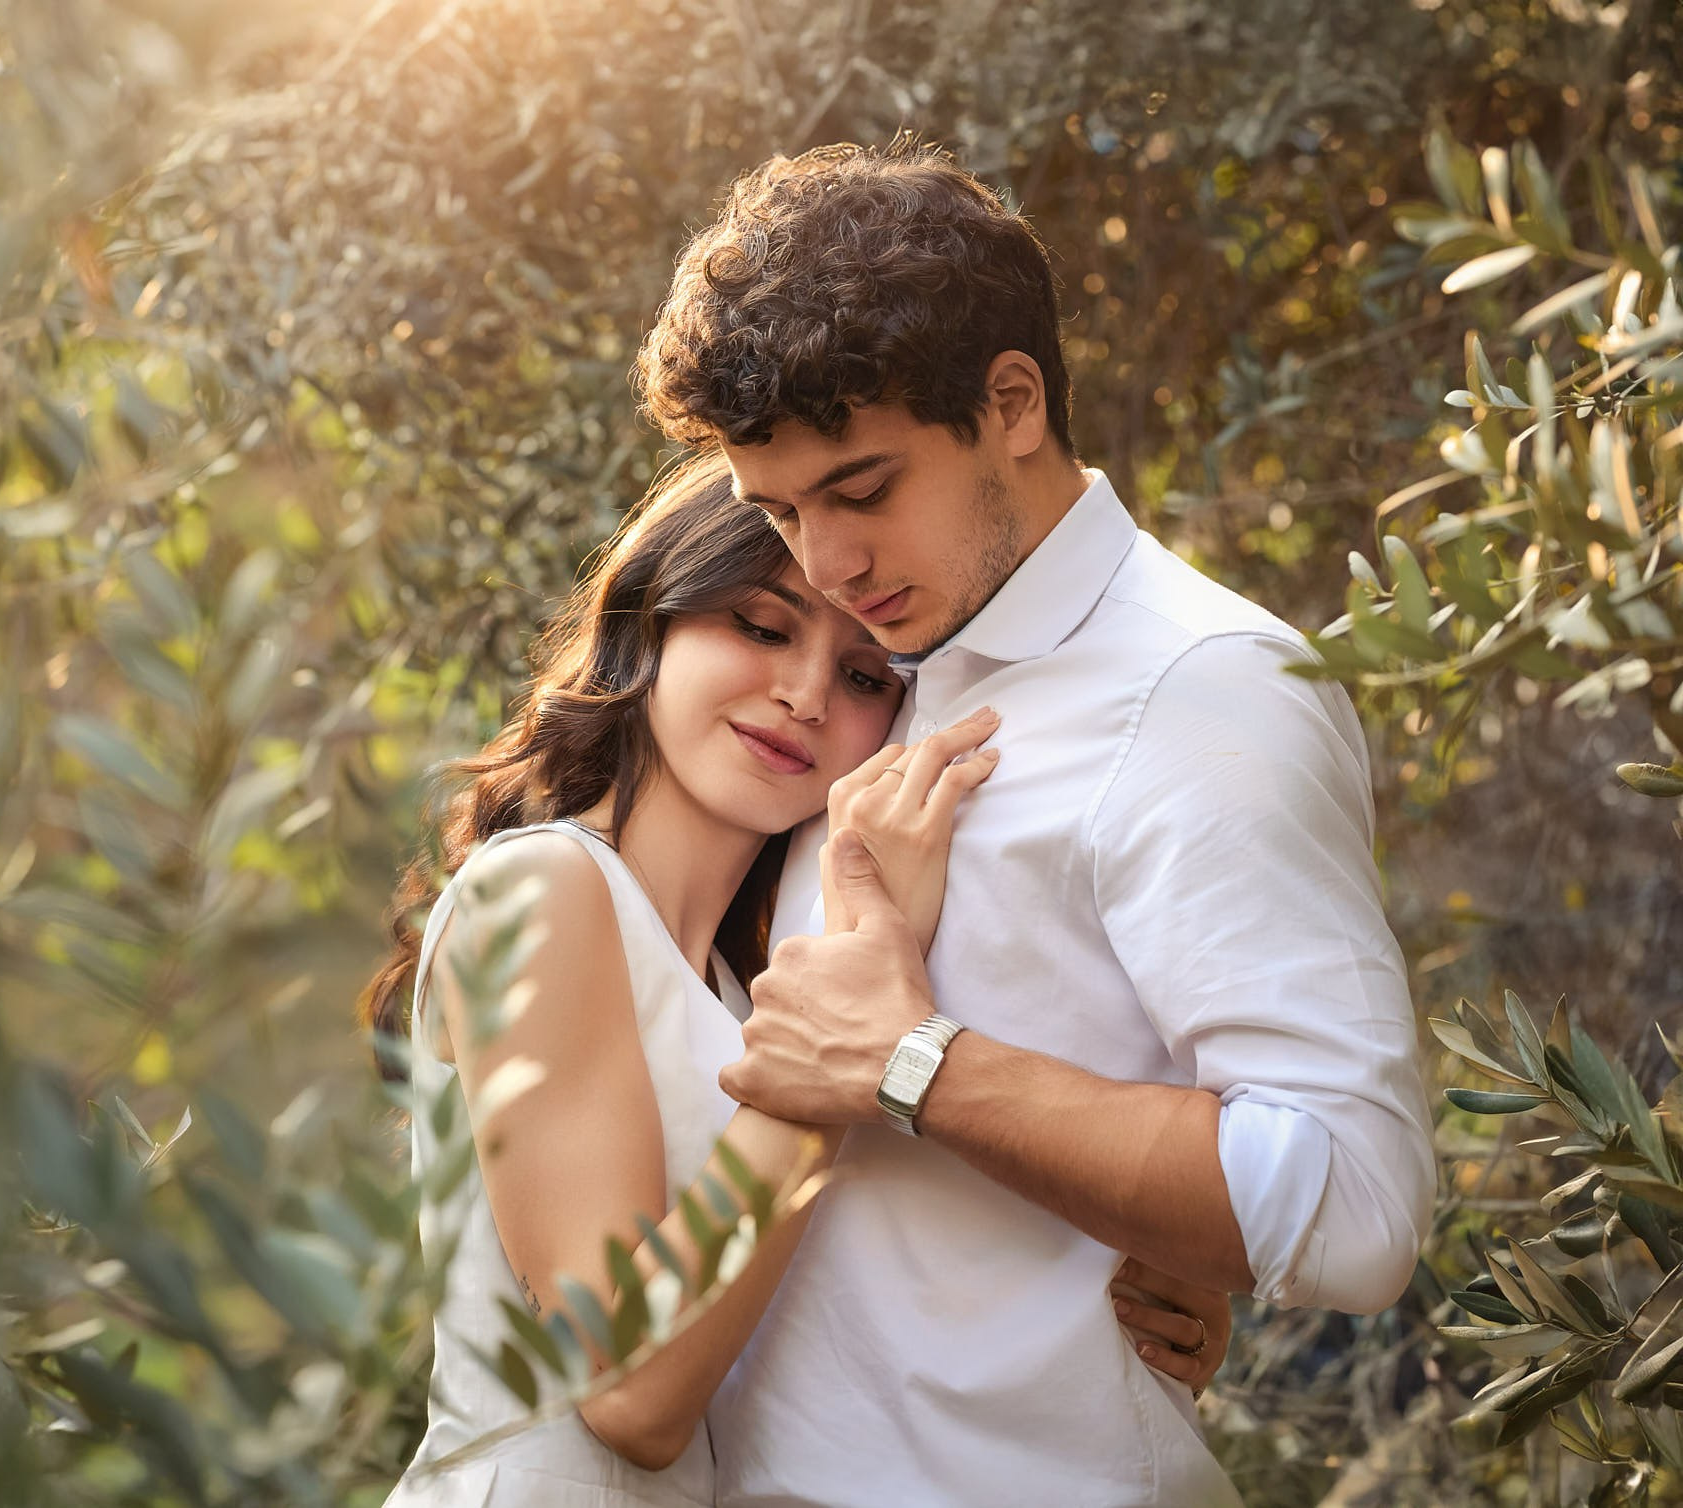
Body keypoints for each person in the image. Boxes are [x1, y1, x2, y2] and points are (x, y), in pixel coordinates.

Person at [631, 138, 1437, 1506]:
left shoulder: (1201, 690)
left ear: (1013, 403)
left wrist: (915, 1065)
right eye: (775, 511)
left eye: (862, 491)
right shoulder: (872, 678)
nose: (824, 565)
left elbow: (1354, 1208)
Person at [364, 453, 1230, 1507]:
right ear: (652, 620)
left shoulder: (740, 983)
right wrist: (840, 1041)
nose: (804, 693)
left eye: (866, 676)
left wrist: (1123, 1265)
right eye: (760, 627)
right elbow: (628, 1391)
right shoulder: (541, 889)